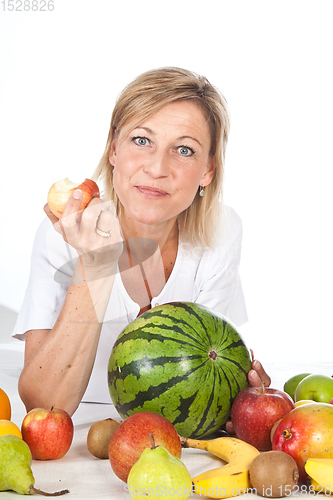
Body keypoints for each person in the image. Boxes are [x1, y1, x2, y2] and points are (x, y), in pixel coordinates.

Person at [13, 67, 270, 420]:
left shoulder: (222, 233)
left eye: (183, 149)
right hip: (83, 435)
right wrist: (97, 263)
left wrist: (244, 400)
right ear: (113, 149)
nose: (157, 168)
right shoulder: (62, 235)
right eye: (141, 140)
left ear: (207, 171)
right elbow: (43, 408)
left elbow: (205, 398)